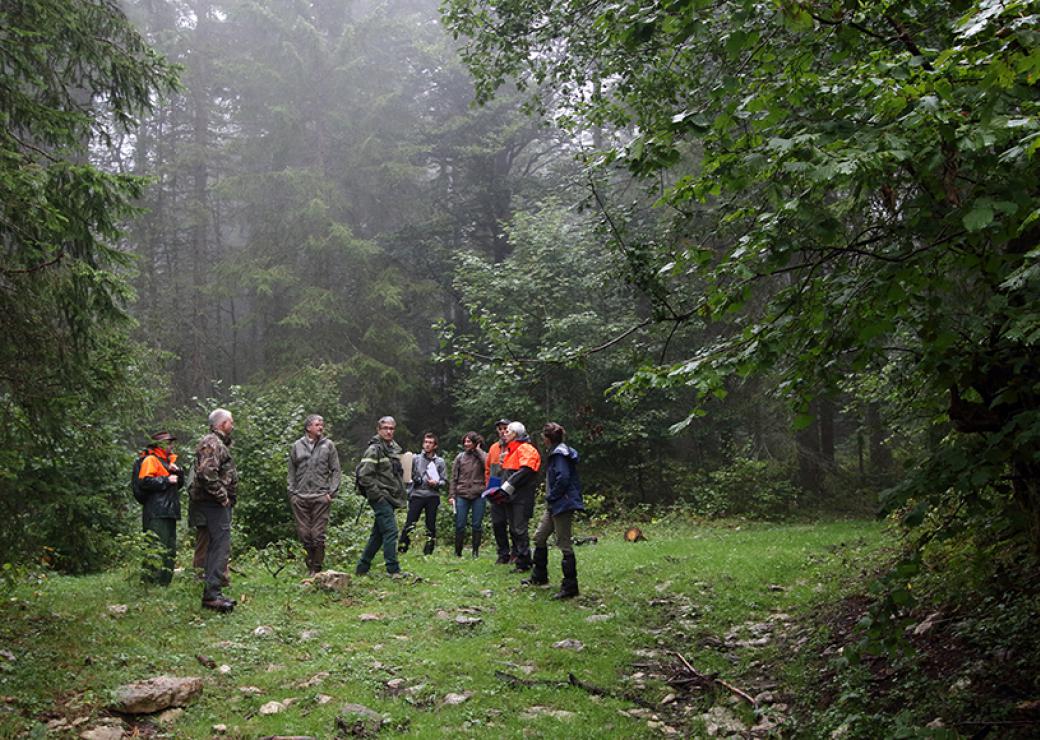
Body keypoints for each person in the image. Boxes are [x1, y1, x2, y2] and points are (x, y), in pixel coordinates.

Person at [523, 422, 585, 599]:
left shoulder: (559, 454)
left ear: (548, 438)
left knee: (564, 543)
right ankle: (539, 576)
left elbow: (563, 478)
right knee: (540, 536)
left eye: (543, 436)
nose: (542, 439)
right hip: (554, 504)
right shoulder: (557, 452)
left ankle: (570, 586)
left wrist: (553, 496)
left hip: (562, 504)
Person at [190, 408, 239, 613]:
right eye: (231, 422)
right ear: (221, 424)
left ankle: (213, 592)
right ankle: (212, 596)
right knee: (220, 546)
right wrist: (223, 496)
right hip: (212, 504)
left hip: (213, 503)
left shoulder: (217, 443)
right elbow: (206, 472)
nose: (233, 426)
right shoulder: (211, 443)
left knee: (215, 545)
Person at [354, 416, 409, 577]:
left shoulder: (394, 449)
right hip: (381, 497)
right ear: (378, 429)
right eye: (385, 428)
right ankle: (393, 570)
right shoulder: (374, 449)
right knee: (391, 532)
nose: (389, 431)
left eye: (391, 428)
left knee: (377, 535)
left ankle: (362, 568)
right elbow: (364, 476)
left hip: (392, 496)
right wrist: (377, 496)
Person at [288, 414, 341, 575]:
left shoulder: (328, 445)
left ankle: (317, 568)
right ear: (308, 427)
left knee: (318, 535)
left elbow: (336, 470)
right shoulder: (297, 445)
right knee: (305, 535)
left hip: (321, 496)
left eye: (322, 424)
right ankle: (309, 565)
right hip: (300, 497)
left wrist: (331, 492)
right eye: (317, 424)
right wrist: (292, 493)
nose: (321, 427)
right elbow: (291, 470)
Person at [484, 421, 541, 572]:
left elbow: (526, 470)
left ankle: (524, 562)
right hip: (511, 497)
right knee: (514, 529)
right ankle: (521, 560)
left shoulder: (526, 448)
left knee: (519, 529)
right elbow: (505, 472)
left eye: (508, 431)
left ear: (515, 434)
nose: (504, 433)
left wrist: (507, 486)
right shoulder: (511, 449)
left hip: (521, 497)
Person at [135, 431, 183, 586]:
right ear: (159, 445)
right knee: (155, 547)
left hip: (170, 510)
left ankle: (163, 583)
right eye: (168, 443)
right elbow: (144, 482)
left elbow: (178, 486)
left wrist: (178, 473)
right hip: (156, 510)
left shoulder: (169, 462)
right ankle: (150, 583)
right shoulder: (151, 459)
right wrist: (166, 479)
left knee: (169, 548)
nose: (171, 445)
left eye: (171, 442)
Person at [399, 432, 447, 555]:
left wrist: (436, 483)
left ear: (435, 446)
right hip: (417, 494)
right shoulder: (415, 458)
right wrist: (414, 479)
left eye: (430, 443)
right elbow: (405, 473)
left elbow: (444, 481)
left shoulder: (440, 462)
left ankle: (428, 551)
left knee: (430, 524)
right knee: (410, 523)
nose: (427, 445)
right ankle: (402, 548)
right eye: (426, 442)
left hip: (432, 495)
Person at [449, 431, 487, 557]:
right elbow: (454, 478)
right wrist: (451, 495)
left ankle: (475, 552)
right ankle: (457, 552)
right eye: (465, 441)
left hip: (478, 494)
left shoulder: (483, 455)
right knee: (460, 524)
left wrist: (479, 451)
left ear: (475, 443)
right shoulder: (460, 457)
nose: (466, 444)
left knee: (477, 525)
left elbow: (488, 466)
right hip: (462, 494)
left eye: (469, 441)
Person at [484, 419, 514, 564]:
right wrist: (488, 487)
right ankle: (503, 553)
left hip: (511, 490)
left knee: (514, 524)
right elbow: (488, 469)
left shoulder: (515, 447)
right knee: (498, 523)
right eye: (500, 429)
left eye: (505, 428)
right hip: (495, 491)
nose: (502, 431)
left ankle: (516, 552)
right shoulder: (494, 448)